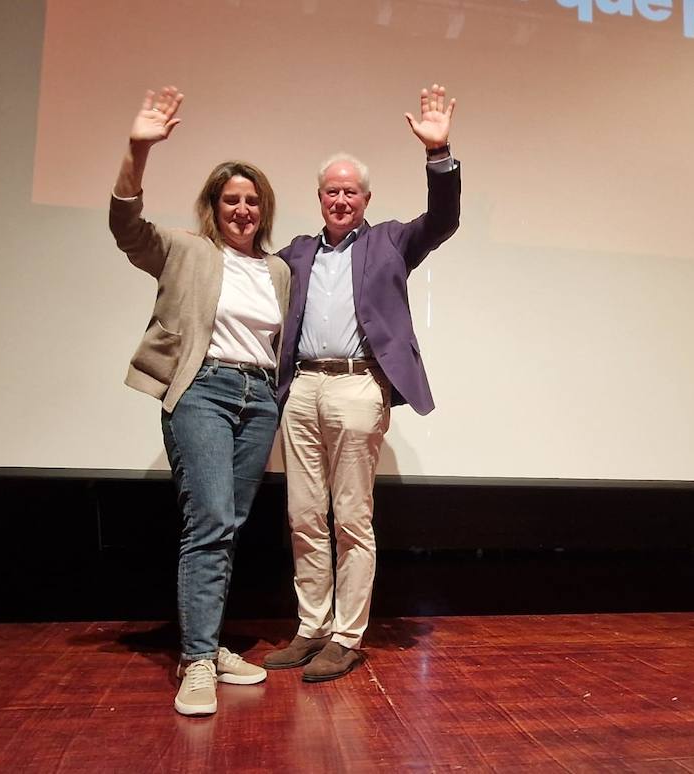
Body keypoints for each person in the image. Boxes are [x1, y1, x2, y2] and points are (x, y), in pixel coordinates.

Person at [263, 85, 461, 682]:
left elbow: (444, 219)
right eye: (332, 190)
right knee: (303, 514)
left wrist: (440, 152)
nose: (341, 198)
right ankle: (311, 628)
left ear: (366, 198)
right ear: (319, 198)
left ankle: (346, 636)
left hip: (357, 388)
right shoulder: (295, 252)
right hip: (301, 389)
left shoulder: (391, 240)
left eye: (351, 190)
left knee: (351, 517)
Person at [109, 86, 290, 716]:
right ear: (214, 205)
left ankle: (209, 647)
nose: (242, 209)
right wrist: (139, 150)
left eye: (252, 201)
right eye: (231, 199)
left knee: (229, 527)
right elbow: (125, 227)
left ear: (262, 211)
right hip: (204, 392)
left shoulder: (277, 272)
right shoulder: (185, 248)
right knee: (209, 520)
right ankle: (195, 660)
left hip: (259, 399)